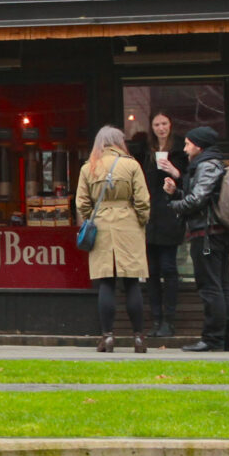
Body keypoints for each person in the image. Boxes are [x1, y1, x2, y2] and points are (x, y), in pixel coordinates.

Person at [75, 125, 152, 353]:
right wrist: (140, 220)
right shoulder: (131, 165)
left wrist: (94, 218)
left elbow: (81, 202)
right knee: (131, 281)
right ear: (119, 142)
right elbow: (143, 200)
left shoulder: (89, 168)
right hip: (129, 225)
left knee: (106, 281)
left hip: (102, 226)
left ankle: (107, 337)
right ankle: (138, 338)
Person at [172, 124, 229, 353]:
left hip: (207, 235)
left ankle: (213, 339)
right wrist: (176, 191)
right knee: (223, 285)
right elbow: (203, 197)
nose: (184, 148)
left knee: (210, 287)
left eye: (188, 143)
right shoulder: (212, 164)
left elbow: (197, 200)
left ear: (199, 145)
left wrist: (174, 204)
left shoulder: (206, 165)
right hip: (217, 233)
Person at [141, 114, 189, 339]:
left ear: (171, 125)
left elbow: (188, 181)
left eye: (164, 124)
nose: (161, 128)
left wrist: (173, 171)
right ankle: (156, 319)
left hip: (170, 214)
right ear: (151, 127)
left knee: (169, 268)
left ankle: (169, 320)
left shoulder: (180, 148)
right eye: (157, 124)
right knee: (151, 271)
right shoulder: (146, 150)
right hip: (150, 216)